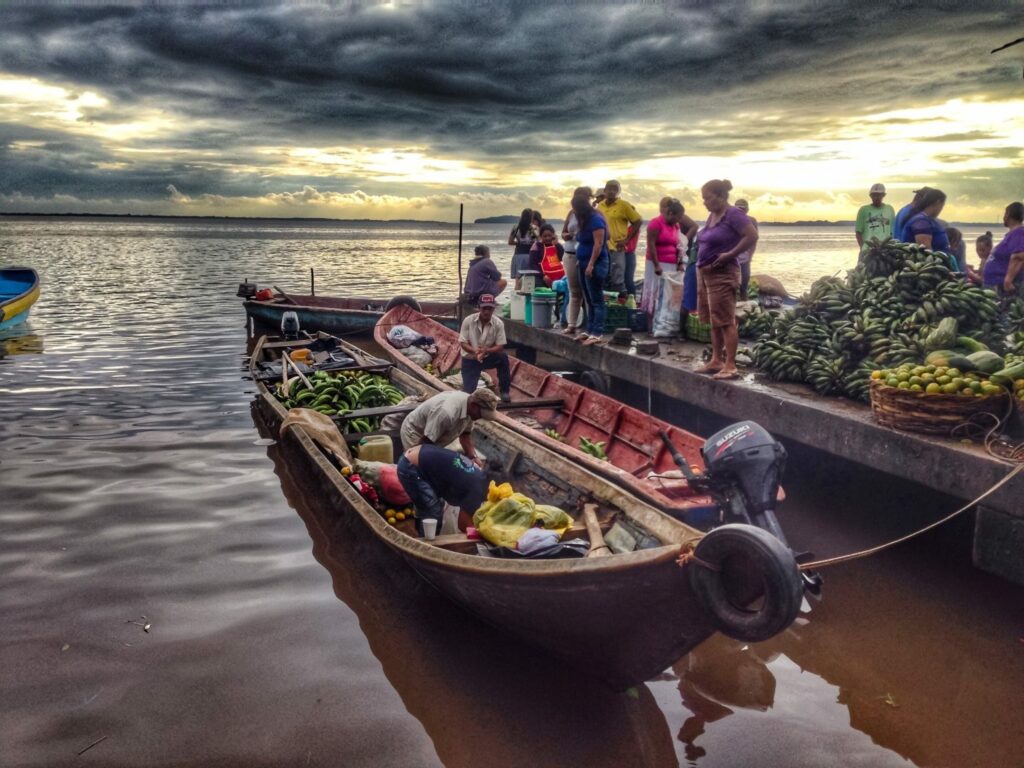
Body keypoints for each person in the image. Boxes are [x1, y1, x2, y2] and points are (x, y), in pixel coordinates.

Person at [694, 179, 758, 380]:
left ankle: (730, 364)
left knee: (726, 320)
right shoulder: (713, 215)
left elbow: (752, 236)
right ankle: (716, 360)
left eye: (708, 198)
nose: (704, 202)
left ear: (721, 196)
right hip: (706, 273)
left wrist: (730, 254)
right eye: (703, 198)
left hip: (723, 273)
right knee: (714, 320)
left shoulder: (734, 214)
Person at [397, 443, 490, 537]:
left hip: (419, 456)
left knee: (432, 506)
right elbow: (463, 525)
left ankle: (422, 534)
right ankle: (426, 543)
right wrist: (484, 533)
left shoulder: (480, 476)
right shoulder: (478, 490)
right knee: (432, 513)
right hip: (411, 466)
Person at [399, 388, 499, 458]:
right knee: (416, 465)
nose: (480, 418)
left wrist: (473, 457)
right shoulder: (446, 412)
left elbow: (465, 435)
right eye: (480, 414)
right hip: (417, 433)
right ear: (473, 406)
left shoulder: (470, 408)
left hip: (434, 438)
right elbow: (426, 442)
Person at [572, 191, 610, 345]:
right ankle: (589, 329)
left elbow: (598, 244)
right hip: (582, 262)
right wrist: (580, 261)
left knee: (596, 299)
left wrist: (591, 264)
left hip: (595, 263)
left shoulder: (595, 220)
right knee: (588, 298)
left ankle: (597, 332)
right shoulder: (584, 221)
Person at [458, 294, 512, 400]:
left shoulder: (498, 323)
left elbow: (500, 345)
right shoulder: (468, 321)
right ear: (479, 308)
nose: (487, 312)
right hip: (470, 358)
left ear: (494, 309)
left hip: (487, 357)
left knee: (503, 358)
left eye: (490, 309)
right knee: (469, 393)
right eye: (484, 308)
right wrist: (475, 352)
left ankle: (505, 391)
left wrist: (486, 351)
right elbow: (463, 343)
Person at [596, 180, 642, 296]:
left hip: (617, 248)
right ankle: (606, 304)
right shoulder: (600, 206)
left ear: (618, 191)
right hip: (603, 248)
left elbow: (638, 221)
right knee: (603, 277)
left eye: (615, 189)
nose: (612, 191)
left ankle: (620, 304)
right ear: (605, 190)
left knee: (618, 279)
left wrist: (626, 240)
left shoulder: (624, 205)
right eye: (609, 189)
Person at [641, 198, 685, 316]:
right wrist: (656, 265)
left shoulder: (676, 226)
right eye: (678, 217)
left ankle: (664, 318)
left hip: (671, 263)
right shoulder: (655, 223)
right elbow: (651, 244)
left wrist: (680, 263)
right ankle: (650, 320)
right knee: (654, 291)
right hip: (656, 263)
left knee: (667, 292)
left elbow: (679, 245)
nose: (679, 220)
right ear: (670, 213)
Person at [560, 186, 590, 335]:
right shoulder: (571, 213)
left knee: (588, 291)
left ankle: (590, 325)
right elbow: (563, 232)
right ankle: (572, 324)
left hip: (584, 254)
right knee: (574, 290)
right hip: (569, 253)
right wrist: (566, 235)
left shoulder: (591, 214)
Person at [982, 202, 1024, 296]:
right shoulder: (1013, 234)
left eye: (1005, 214)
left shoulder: (1018, 233)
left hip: (1001, 286)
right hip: (994, 284)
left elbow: (1018, 257)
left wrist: (1008, 280)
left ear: (1008, 214)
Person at [900, 188, 950, 258]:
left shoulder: (927, 219)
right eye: (942, 205)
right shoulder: (921, 222)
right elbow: (926, 252)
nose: (941, 209)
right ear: (938, 202)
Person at [855, 183, 895, 256]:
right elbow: (858, 232)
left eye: (878, 195)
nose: (876, 197)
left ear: (883, 195)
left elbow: (893, 231)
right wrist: (862, 248)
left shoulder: (889, 209)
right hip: (867, 250)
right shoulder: (863, 210)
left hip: (886, 250)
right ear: (870, 196)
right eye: (874, 195)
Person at [734, 199, 759, 299]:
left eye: (742, 208)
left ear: (747, 209)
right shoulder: (729, 220)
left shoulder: (751, 221)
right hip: (732, 253)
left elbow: (754, 239)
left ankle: (743, 293)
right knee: (731, 277)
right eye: (737, 209)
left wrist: (750, 254)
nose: (740, 211)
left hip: (745, 253)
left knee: (746, 275)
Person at [508, 208, 537, 289]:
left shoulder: (516, 227)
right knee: (529, 282)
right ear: (531, 217)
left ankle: (515, 295)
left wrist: (519, 243)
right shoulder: (533, 228)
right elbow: (536, 242)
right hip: (529, 255)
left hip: (518, 255)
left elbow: (510, 242)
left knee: (518, 281)